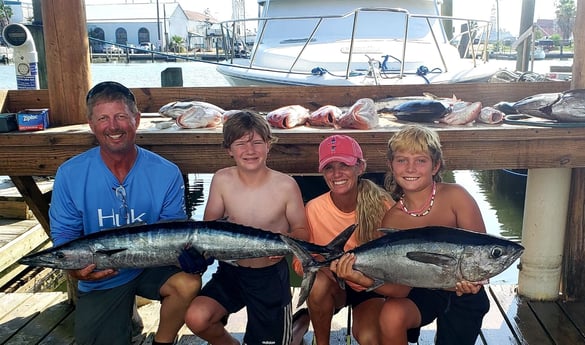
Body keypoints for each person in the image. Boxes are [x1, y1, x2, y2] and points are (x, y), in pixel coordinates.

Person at [49, 81, 203, 345]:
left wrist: (188, 256)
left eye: (121, 116)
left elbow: (172, 230)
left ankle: (162, 341)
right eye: (103, 118)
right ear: (91, 124)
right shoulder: (70, 173)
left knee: (188, 282)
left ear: (137, 120)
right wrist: (75, 271)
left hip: (150, 267)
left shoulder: (166, 172)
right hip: (102, 274)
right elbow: (64, 234)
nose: (113, 126)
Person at [331, 125, 490, 345]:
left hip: (464, 294)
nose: (410, 168)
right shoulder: (393, 220)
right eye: (402, 160)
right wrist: (358, 277)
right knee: (391, 314)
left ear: (435, 166)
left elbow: (482, 252)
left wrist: (475, 282)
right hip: (421, 289)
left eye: (420, 160)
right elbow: (399, 289)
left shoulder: (457, 197)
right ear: (391, 166)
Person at [184, 110, 309, 345]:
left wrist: (286, 241)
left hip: (270, 277)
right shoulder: (221, 179)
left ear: (269, 145)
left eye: (257, 142)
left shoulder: (286, 185)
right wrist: (198, 254)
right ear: (229, 149)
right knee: (197, 317)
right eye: (240, 143)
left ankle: (294, 332)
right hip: (231, 271)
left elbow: (302, 231)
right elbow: (208, 229)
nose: (249, 150)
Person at [292, 135, 394, 345]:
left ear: (360, 167)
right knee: (317, 283)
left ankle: (306, 317)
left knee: (369, 338)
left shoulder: (383, 204)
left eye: (344, 165)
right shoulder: (313, 208)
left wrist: (360, 277)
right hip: (333, 286)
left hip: (369, 288)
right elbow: (298, 261)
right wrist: (326, 270)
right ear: (322, 172)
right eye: (329, 167)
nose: (336, 173)